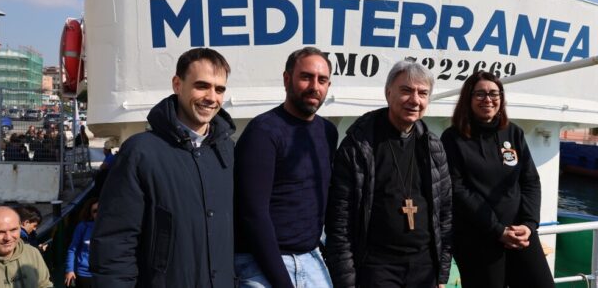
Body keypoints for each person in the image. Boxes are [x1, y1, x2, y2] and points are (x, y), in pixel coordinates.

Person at [91, 48, 236, 287]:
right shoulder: (140, 153)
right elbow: (115, 242)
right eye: (202, 86)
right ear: (177, 85)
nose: (212, 97)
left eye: (219, 89)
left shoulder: (227, 151)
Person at [325, 59, 452, 288]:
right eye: (406, 91)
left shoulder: (433, 146)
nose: (415, 100)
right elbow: (340, 222)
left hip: (424, 267)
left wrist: (442, 274)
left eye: (423, 93)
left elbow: (445, 213)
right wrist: (346, 281)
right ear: (388, 93)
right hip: (376, 267)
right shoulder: (358, 145)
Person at [234, 47, 338, 288]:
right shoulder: (263, 132)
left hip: (310, 258)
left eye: (322, 80)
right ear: (287, 79)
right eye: (306, 77)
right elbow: (253, 215)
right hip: (259, 262)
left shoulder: (327, 132)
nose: (315, 86)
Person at [440, 71, 554, 288]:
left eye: (494, 93)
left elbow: (530, 180)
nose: (488, 99)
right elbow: (458, 189)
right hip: (478, 238)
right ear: (468, 98)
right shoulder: (453, 138)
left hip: (520, 234)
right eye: (480, 94)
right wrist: (497, 230)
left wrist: (529, 225)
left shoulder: (514, 133)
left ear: (501, 99)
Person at [65, 198, 98, 288]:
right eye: (95, 211)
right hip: (84, 274)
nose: (99, 213)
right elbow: (72, 249)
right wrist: (70, 270)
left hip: (103, 274)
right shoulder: (83, 227)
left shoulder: (111, 228)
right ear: (91, 215)